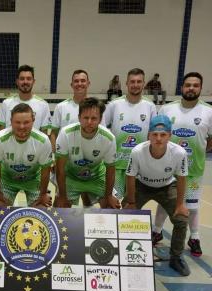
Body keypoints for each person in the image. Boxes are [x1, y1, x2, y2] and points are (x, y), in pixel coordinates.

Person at [153, 72, 212, 257]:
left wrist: (199, 151)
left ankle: (194, 237)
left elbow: (210, 140)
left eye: (195, 85)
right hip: (168, 168)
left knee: (192, 206)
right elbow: (158, 135)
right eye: (188, 85)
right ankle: (156, 231)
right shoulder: (167, 110)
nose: (191, 88)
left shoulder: (208, 112)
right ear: (182, 87)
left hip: (194, 169)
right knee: (165, 202)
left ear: (200, 88)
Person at [124, 115, 189, 275]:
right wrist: (131, 202)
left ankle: (176, 257)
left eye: (163, 135)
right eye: (155, 134)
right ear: (149, 135)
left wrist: (180, 204)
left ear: (170, 136)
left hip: (167, 186)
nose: (158, 138)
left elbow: (181, 178)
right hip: (142, 185)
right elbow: (130, 176)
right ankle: (123, 254)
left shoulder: (179, 153)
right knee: (124, 213)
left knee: (181, 219)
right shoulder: (138, 151)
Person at [54, 97, 120, 209]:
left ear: (100, 119)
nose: (89, 122)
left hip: (96, 177)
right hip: (71, 177)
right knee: (59, 207)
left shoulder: (109, 138)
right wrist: (62, 196)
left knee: (111, 206)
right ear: (79, 118)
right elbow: (60, 169)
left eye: (94, 118)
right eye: (86, 118)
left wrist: (109, 196)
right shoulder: (65, 134)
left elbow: (111, 170)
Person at [102, 68, 157, 199]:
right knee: (113, 202)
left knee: (134, 204)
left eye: (139, 81)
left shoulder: (150, 106)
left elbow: (154, 134)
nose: (135, 85)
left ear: (143, 83)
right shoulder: (114, 105)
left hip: (140, 166)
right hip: (116, 164)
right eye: (132, 81)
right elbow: (102, 129)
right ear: (126, 83)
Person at [0, 103, 52, 207]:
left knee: (42, 209)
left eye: (26, 122)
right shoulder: (0, 138)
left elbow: (46, 171)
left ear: (33, 121)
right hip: (7, 179)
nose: (22, 127)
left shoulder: (43, 140)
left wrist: (43, 193)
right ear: (11, 121)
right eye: (17, 122)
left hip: (33, 179)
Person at [0, 65, 51, 133]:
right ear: (17, 81)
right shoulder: (6, 103)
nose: (25, 82)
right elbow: (1, 131)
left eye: (28, 79)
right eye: (22, 79)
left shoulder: (43, 105)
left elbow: (44, 134)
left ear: (33, 81)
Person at [50, 69, 90, 150]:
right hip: (65, 157)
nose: (79, 84)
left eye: (83, 81)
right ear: (71, 85)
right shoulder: (61, 107)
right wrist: (54, 154)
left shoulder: (96, 108)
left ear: (88, 83)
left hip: (88, 155)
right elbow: (53, 133)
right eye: (76, 81)